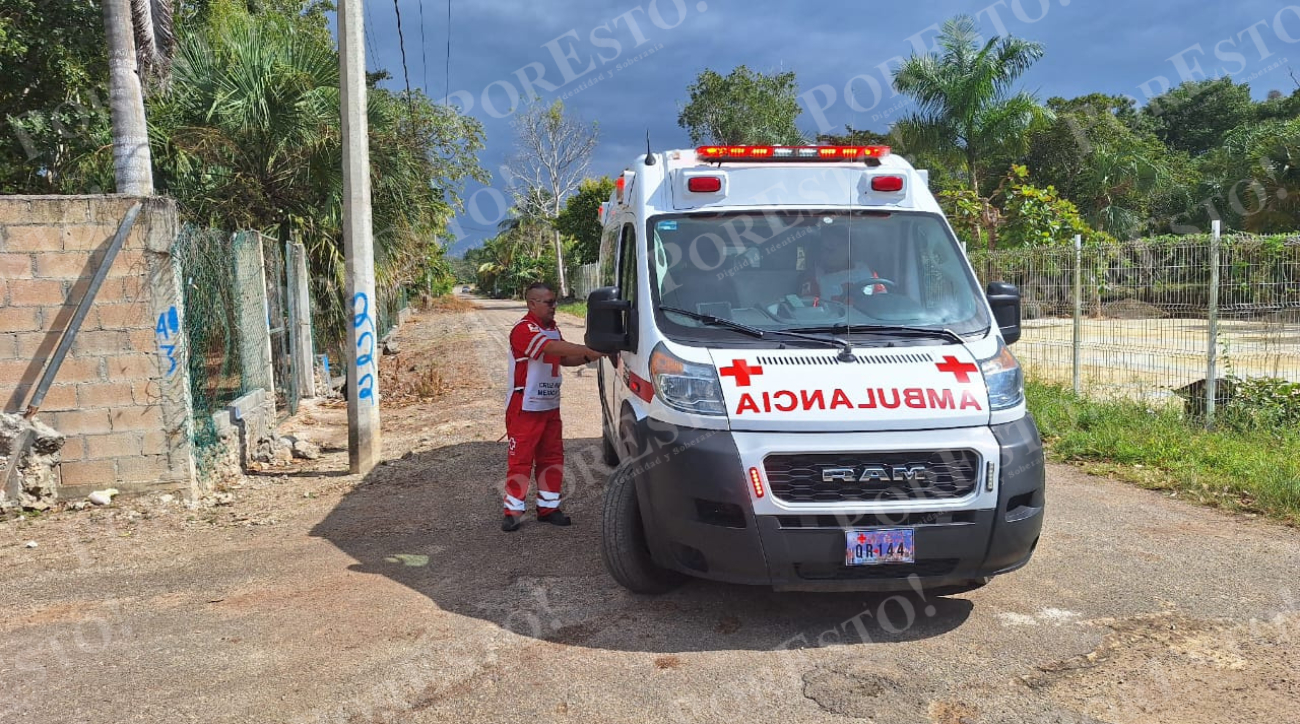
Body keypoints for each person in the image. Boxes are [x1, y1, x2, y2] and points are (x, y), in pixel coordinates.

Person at [501, 282, 605, 532]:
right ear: (532, 303)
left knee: (552, 458)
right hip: (524, 406)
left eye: (554, 301)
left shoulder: (552, 329)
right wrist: (589, 348)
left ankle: (548, 508)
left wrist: (592, 355)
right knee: (521, 461)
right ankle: (513, 512)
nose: (554, 306)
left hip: (548, 406)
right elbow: (550, 349)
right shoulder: (524, 329)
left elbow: (564, 358)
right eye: (548, 302)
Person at [806, 222, 886, 302]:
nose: (825, 254)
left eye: (831, 249)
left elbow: (883, 303)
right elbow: (808, 308)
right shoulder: (814, 278)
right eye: (823, 249)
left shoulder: (868, 273)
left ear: (849, 249)